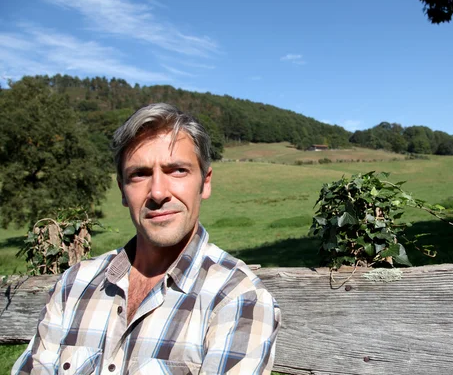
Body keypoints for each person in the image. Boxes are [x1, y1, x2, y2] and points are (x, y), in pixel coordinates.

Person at [13, 103, 281, 374]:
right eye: (139, 174)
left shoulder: (237, 299)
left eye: (177, 170)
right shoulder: (74, 285)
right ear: (122, 189)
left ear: (205, 182)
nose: (157, 192)